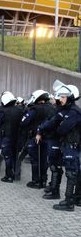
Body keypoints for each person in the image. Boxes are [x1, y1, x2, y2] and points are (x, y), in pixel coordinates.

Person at [36, 81, 81, 211]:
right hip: (67, 145)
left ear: (70, 98)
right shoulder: (65, 110)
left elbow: (62, 129)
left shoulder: (74, 112)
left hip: (72, 145)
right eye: (60, 97)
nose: (60, 99)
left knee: (72, 173)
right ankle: (72, 199)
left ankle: (69, 202)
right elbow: (54, 122)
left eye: (63, 97)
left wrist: (59, 125)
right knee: (72, 172)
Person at [21, 90, 55, 189]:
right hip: (48, 138)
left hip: (35, 138)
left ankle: (36, 181)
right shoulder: (53, 108)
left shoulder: (34, 109)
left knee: (35, 160)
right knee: (44, 160)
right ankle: (44, 180)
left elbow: (24, 122)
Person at [0, 92, 23, 182]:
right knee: (16, 156)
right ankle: (16, 174)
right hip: (17, 137)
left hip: (7, 137)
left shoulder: (2, 111)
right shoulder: (20, 110)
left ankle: (9, 176)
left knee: (7, 156)